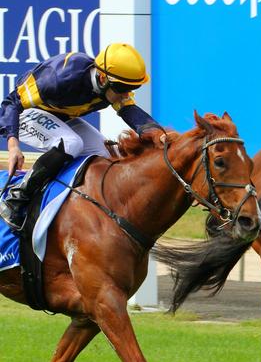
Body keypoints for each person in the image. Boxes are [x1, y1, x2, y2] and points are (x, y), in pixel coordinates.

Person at [0, 43, 160, 230]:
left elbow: (130, 111)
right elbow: (11, 104)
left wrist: (159, 135)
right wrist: (13, 147)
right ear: (102, 77)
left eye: (132, 87)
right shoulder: (60, 77)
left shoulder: (112, 85)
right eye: (122, 88)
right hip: (24, 115)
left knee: (108, 155)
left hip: (62, 118)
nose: (126, 93)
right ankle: (16, 198)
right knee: (72, 143)